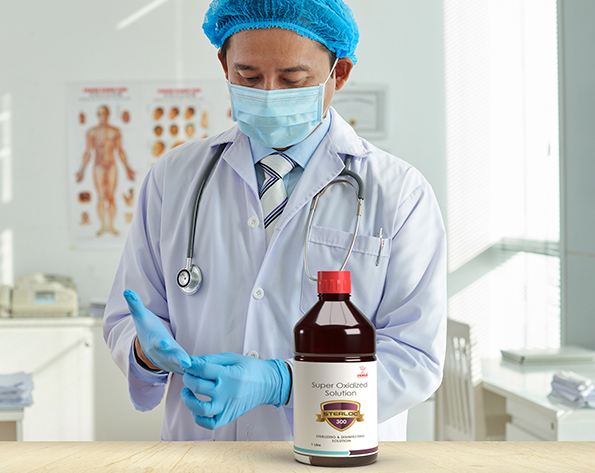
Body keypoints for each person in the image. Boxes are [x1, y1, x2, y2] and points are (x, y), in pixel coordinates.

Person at [103, 0, 446, 442]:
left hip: (334, 451)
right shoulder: (175, 178)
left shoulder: (399, 193)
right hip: (203, 454)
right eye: (248, 76)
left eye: (292, 79)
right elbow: (130, 316)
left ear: (338, 74)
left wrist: (286, 382)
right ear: (224, 65)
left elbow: (415, 357)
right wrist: (144, 352)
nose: (267, 93)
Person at [76, 105, 135, 236]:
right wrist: (82, 170)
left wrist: (127, 168)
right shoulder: (92, 132)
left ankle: (111, 226)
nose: (103, 116)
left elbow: (120, 151)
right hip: (98, 166)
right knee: (101, 197)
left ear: (108, 115)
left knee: (111, 197)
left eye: (105, 114)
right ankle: (103, 226)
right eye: (100, 114)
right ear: (98, 115)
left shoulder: (115, 131)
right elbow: (87, 152)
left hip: (111, 165)